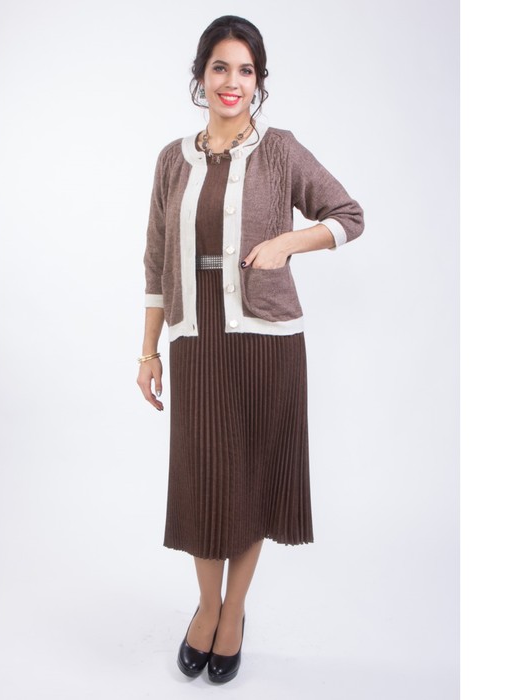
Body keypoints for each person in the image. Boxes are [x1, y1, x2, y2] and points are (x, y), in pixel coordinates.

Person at [137, 15, 364, 683]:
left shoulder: (281, 150)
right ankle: (206, 605)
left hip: (267, 344)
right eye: (220, 67)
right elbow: (154, 261)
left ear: (259, 81)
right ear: (200, 75)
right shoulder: (171, 159)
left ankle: (233, 611)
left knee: (253, 481)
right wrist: (148, 352)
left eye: (245, 70)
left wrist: (288, 242)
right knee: (206, 480)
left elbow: (348, 216)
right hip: (196, 339)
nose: (232, 81)